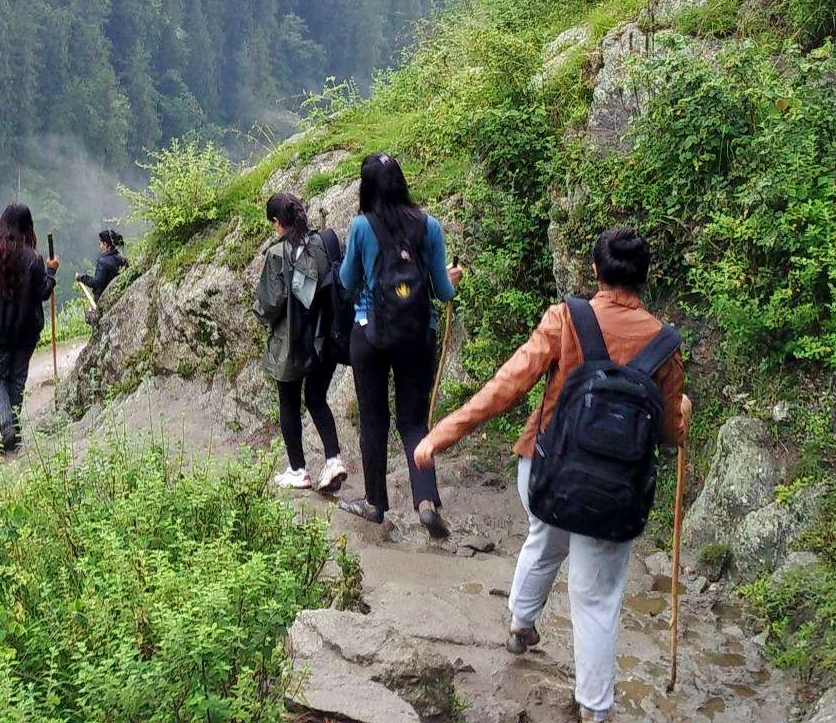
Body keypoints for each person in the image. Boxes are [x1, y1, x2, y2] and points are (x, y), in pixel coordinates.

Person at [412, 226, 692, 723]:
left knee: (543, 541)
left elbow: (507, 385)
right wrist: (683, 411)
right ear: (646, 279)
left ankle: (521, 626)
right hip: (615, 494)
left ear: (595, 271)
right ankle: (595, 710)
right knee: (597, 596)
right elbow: (668, 434)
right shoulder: (664, 344)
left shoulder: (566, 319)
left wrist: (441, 435)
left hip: (549, 474)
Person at [335, 152, 461, 537]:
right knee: (413, 422)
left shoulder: (361, 226)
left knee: (374, 420)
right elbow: (441, 291)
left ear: (366, 187)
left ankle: (375, 504)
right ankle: (426, 500)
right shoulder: (430, 226)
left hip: (369, 334)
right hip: (417, 335)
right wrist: (454, 277)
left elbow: (347, 281)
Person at [255, 192, 349, 492]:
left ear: (276, 222)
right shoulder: (325, 242)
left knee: (289, 403)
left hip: (291, 343)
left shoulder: (277, 255)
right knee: (317, 398)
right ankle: (333, 459)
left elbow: (270, 305)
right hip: (325, 338)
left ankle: (298, 470)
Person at [0, 203, 58, 453]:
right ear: (28, 228)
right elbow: (43, 292)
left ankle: (6, 426)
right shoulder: (34, 260)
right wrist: (51, 273)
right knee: (16, 379)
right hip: (24, 331)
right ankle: (13, 430)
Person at [75, 229, 129, 299]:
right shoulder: (122, 258)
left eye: (100, 243)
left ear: (105, 244)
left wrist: (81, 277)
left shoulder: (103, 262)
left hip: (106, 298)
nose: (100, 246)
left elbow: (97, 283)